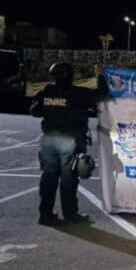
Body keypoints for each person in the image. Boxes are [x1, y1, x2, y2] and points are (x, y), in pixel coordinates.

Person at [30, 62, 107, 226]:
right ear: (71, 76)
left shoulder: (46, 92)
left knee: (49, 179)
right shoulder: (78, 93)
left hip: (49, 141)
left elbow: (34, 111)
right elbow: (102, 95)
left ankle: (45, 215)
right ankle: (70, 214)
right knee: (69, 179)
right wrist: (100, 75)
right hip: (71, 143)